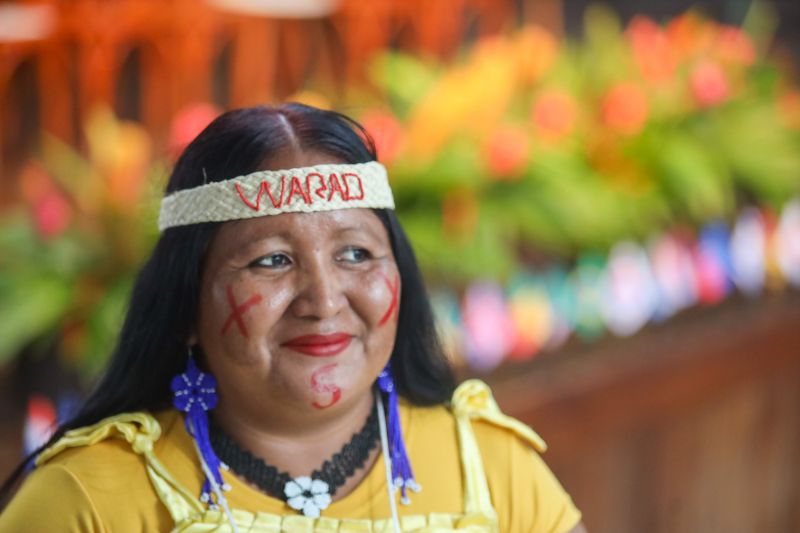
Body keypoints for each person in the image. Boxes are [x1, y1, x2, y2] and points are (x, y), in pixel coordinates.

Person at [0, 104, 586, 532]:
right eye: (272, 261)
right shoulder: (84, 502)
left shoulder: (489, 466)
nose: (325, 300)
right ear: (186, 306)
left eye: (356, 253)